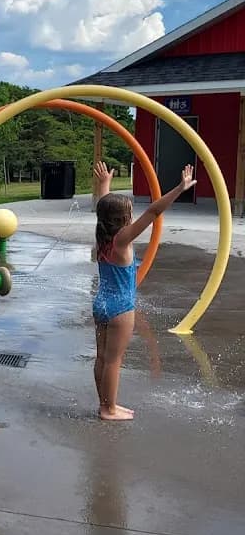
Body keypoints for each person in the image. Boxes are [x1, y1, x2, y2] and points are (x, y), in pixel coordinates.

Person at [92, 161, 196, 421]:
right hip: (120, 308)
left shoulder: (102, 236)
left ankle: (105, 404)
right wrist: (179, 189)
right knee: (114, 360)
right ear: (125, 220)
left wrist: (104, 185)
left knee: (102, 357)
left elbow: (102, 209)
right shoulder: (122, 239)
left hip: (101, 304)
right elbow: (153, 211)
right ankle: (109, 409)